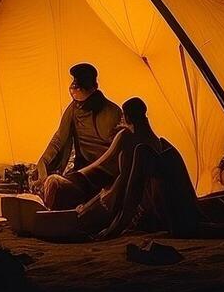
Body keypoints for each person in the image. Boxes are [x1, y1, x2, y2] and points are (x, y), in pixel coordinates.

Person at [78, 97, 201, 240]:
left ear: (128, 117)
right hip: (158, 209)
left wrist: (112, 228)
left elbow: (128, 184)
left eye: (124, 116)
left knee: (94, 210)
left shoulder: (134, 144)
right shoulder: (157, 141)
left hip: (147, 208)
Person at [38, 62, 122, 210]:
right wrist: (42, 165)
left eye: (78, 84)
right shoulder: (74, 109)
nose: (73, 88)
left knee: (58, 186)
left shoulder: (112, 112)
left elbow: (118, 153)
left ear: (92, 86)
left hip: (105, 176)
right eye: (73, 83)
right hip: (82, 173)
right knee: (54, 184)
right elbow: (59, 140)